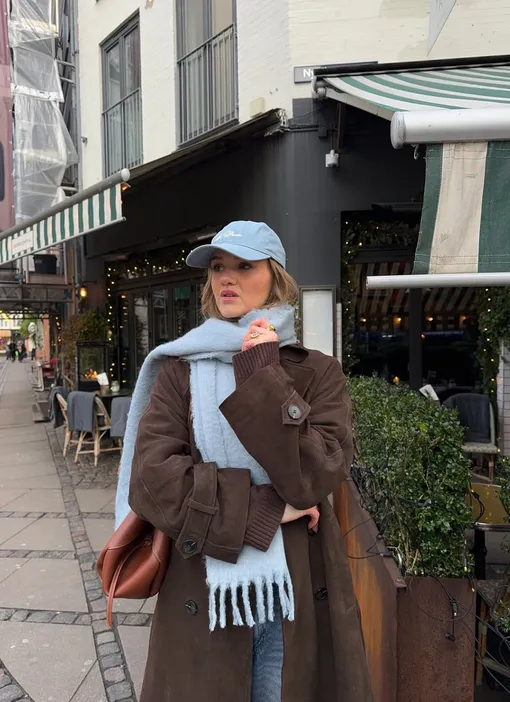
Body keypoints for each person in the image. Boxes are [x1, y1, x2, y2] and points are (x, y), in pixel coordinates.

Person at [115, 221, 372, 702]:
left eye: (244, 266)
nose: (226, 278)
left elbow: (313, 478)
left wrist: (262, 376)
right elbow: (152, 481)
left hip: (293, 593)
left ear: (276, 278)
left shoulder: (318, 372)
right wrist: (265, 510)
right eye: (218, 267)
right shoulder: (180, 371)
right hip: (203, 594)